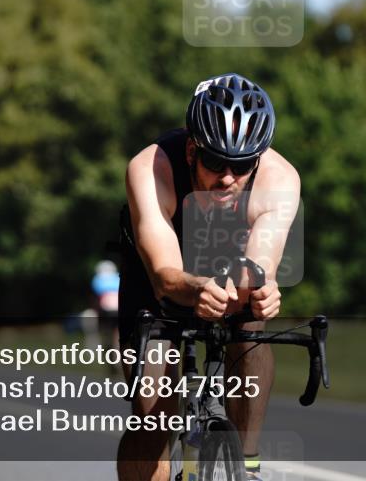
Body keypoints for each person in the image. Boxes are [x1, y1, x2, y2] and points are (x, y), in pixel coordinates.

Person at [116, 73, 300, 481]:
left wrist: (263, 290)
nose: (228, 177)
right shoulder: (150, 169)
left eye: (241, 165)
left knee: (252, 317)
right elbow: (164, 275)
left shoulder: (279, 178)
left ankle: (247, 463)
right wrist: (197, 287)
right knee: (154, 418)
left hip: (226, 264)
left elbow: (259, 264)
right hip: (157, 276)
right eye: (216, 162)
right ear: (191, 150)